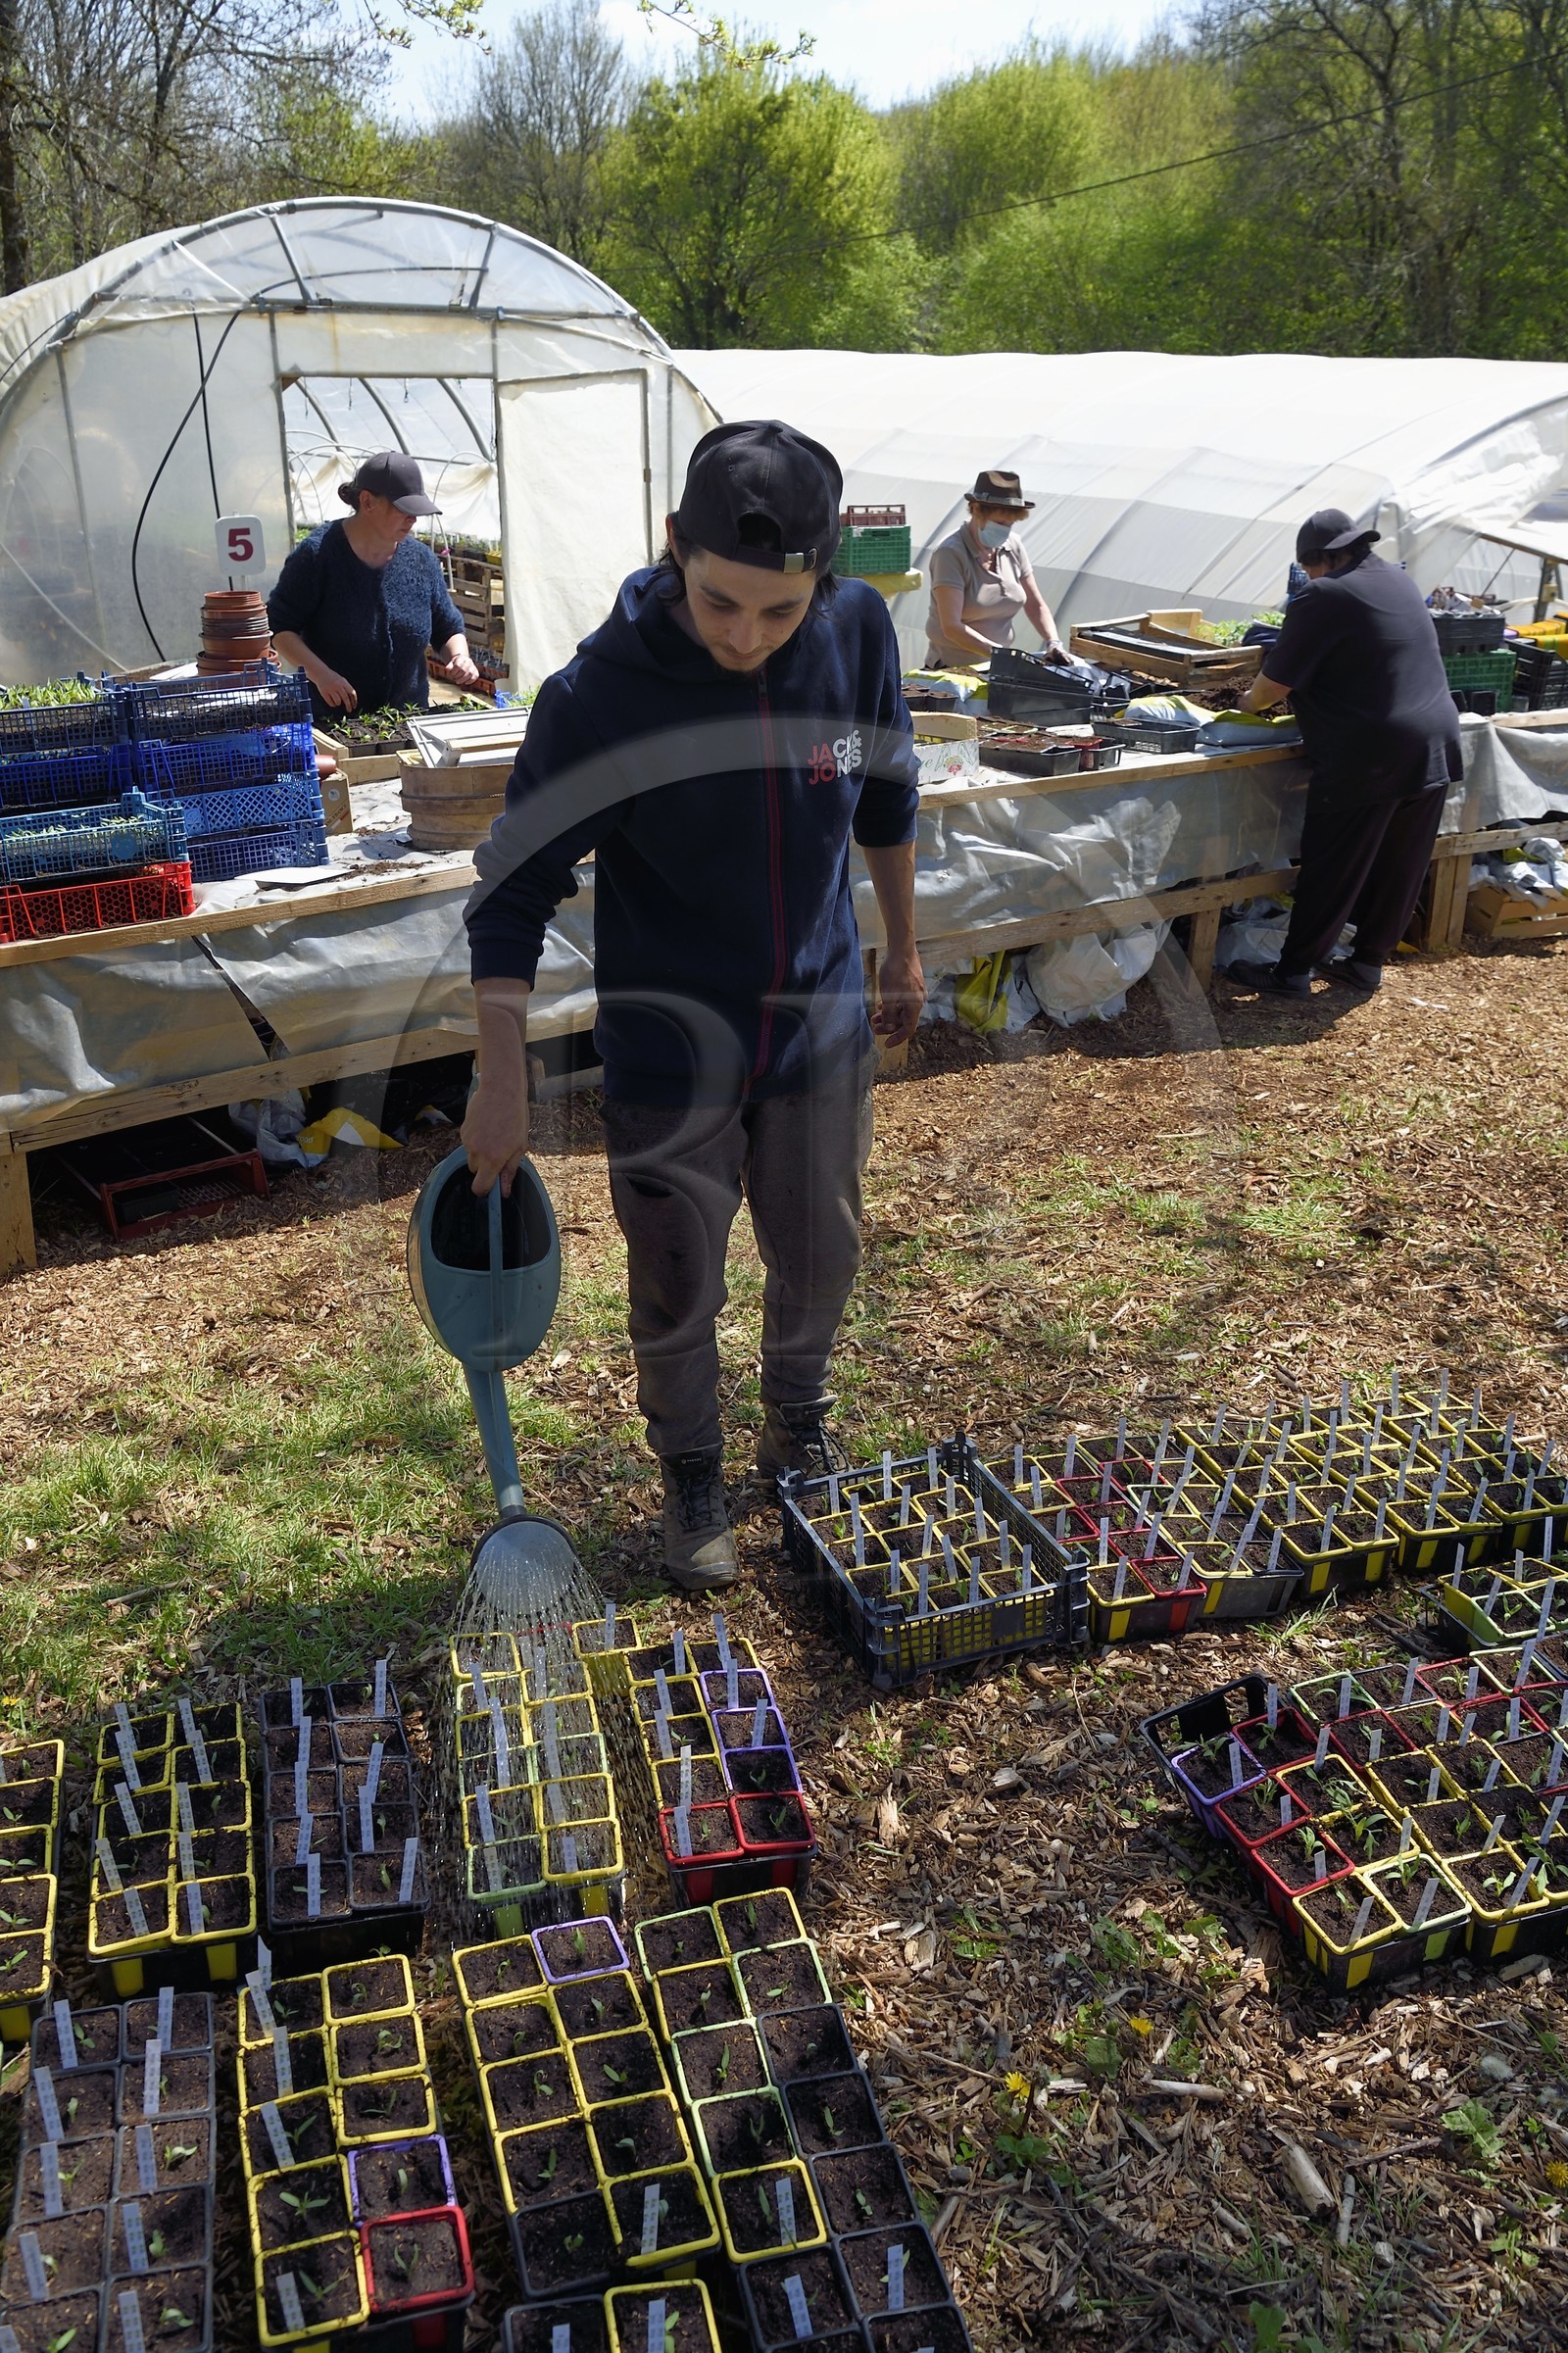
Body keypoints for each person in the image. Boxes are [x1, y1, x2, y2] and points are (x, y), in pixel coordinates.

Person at [461, 419, 924, 1593]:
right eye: (721, 604)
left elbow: (884, 793)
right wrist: (500, 1072)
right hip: (673, 1050)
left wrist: (902, 950)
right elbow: (513, 888)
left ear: (824, 580)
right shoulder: (602, 697)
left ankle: (796, 1421)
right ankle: (692, 1469)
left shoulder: (858, 633)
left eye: (779, 612)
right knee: (678, 1275)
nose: (746, 636)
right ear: (673, 550)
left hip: (817, 1019)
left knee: (820, 1253)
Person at [1230, 508, 1461, 999]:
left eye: (1308, 567)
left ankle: (1293, 972)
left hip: (1373, 751)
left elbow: (1273, 687)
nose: (1307, 577)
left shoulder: (1324, 593)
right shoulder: (1398, 581)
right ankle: (1367, 964)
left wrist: (1245, 702)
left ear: (1320, 560)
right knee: (1402, 861)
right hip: (1434, 740)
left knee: (1334, 863)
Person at [269, 452, 480, 726]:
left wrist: (460, 657)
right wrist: (321, 675)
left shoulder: (421, 560)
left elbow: (447, 627)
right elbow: (280, 627)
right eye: (404, 509)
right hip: (331, 721)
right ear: (367, 502)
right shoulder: (318, 555)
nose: (413, 519)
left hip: (409, 721)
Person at [925, 467, 1068, 669]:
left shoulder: (1013, 545)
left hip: (996, 666)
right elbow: (951, 627)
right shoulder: (950, 553)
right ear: (976, 509)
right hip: (953, 668)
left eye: (1010, 524)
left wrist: (1053, 642)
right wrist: (1005, 656)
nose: (1005, 530)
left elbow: (1036, 605)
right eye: (1000, 522)